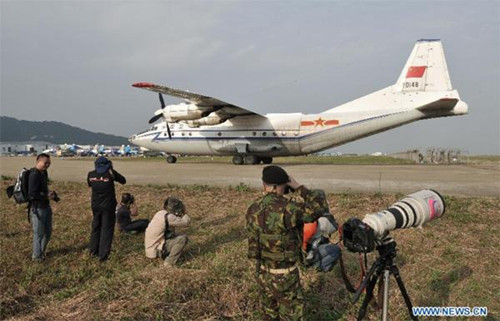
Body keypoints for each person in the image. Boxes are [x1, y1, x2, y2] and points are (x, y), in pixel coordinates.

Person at [246, 165, 327, 321]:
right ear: (281, 186)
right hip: (285, 276)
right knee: (292, 315)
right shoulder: (289, 208)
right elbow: (319, 207)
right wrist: (299, 187)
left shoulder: (253, 208)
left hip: (263, 273)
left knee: (269, 315)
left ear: (264, 185)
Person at [87, 156, 126, 261]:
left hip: (95, 205)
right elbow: (123, 180)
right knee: (107, 229)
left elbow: (90, 184)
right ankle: (103, 255)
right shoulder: (110, 173)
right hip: (108, 206)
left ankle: (93, 251)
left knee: (96, 227)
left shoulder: (91, 174)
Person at [145, 197, 190, 268]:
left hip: (150, 249)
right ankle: (169, 262)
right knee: (182, 239)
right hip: (156, 250)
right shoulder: (169, 217)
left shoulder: (160, 213)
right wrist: (184, 213)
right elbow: (185, 223)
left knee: (175, 235)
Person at [28, 153, 58, 261]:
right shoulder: (34, 175)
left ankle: (41, 252)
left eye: (49, 163)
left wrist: (50, 194)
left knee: (48, 233)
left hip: (46, 206)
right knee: (39, 233)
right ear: (38, 161)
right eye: (45, 163)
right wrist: (45, 196)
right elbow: (32, 194)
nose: (47, 165)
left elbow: (43, 190)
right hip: (37, 209)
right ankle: (36, 256)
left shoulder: (43, 173)